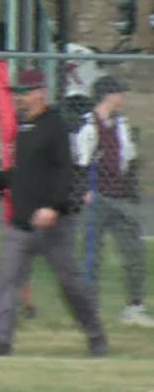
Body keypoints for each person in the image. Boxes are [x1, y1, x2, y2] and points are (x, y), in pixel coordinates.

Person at [0, 69, 108, 357]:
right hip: (22, 224)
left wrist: (53, 207)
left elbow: (66, 173)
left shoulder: (55, 125)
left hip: (53, 225)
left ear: (40, 93)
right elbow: (20, 174)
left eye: (24, 93)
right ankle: (1, 342)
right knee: (9, 281)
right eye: (16, 93)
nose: (18, 98)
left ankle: (95, 334)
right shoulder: (24, 129)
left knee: (70, 283)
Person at [72, 75, 154, 327]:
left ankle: (134, 307)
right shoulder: (88, 126)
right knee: (91, 255)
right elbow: (79, 163)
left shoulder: (122, 125)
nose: (123, 98)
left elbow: (128, 159)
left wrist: (130, 189)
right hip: (97, 199)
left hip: (120, 198)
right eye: (119, 93)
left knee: (134, 252)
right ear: (108, 96)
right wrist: (84, 190)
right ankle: (90, 311)